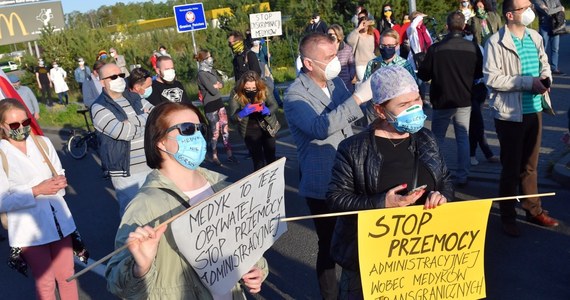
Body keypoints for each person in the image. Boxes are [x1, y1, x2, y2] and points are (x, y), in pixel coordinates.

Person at [105, 101, 268, 299]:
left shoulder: (222, 187)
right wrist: (141, 267)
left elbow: (245, 243)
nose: (197, 136)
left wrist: (257, 269)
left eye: (200, 128)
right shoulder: (145, 205)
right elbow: (117, 284)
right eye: (187, 129)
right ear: (160, 142)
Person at [327, 65, 452, 299]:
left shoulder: (426, 138)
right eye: (404, 105)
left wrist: (442, 195)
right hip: (371, 262)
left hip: (424, 255)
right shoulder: (353, 149)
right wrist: (381, 203)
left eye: (417, 100)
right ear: (380, 111)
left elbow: (444, 178)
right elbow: (335, 199)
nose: (415, 108)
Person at [283, 33, 372, 300]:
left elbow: (352, 119)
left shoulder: (335, 84)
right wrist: (356, 99)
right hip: (321, 180)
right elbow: (320, 128)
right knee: (330, 244)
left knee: (357, 238)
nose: (335, 62)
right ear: (309, 64)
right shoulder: (294, 96)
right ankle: (330, 296)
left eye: (335, 55)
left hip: (350, 174)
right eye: (328, 58)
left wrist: (369, 99)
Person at [483, 0, 558, 237]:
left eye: (530, 7)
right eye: (524, 8)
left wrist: (546, 79)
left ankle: (533, 209)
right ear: (510, 15)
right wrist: (527, 82)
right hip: (509, 115)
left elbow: (544, 63)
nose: (530, 11)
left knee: (531, 166)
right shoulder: (495, 42)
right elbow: (492, 79)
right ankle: (507, 215)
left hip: (535, 109)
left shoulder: (535, 36)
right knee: (511, 168)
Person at [0, 98, 79, 299]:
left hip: (59, 221)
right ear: (2, 126)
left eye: (25, 123)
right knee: (45, 282)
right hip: (28, 229)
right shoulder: (2, 153)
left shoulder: (41, 142)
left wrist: (60, 181)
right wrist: (36, 190)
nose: (22, 128)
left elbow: (58, 171)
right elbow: (2, 200)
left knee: (68, 276)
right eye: (15, 125)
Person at [418, 11, 483, 187]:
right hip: (464, 98)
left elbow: (424, 75)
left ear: (447, 27)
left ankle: (436, 174)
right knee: (463, 137)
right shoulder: (473, 48)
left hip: (441, 99)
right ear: (463, 26)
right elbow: (478, 74)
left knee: (437, 138)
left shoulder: (436, 49)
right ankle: (463, 175)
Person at [90, 63, 153, 217]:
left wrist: (134, 122)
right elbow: (123, 133)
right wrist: (145, 118)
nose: (119, 79)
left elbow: (156, 114)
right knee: (134, 216)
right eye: (113, 77)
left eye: (121, 75)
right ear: (102, 82)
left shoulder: (133, 97)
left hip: (152, 165)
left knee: (156, 210)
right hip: (127, 173)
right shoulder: (98, 107)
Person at [363, 29, 417, 125]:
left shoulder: (404, 65)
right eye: (383, 46)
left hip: (397, 110)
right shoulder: (373, 63)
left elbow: (413, 89)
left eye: (390, 46)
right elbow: (366, 86)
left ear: (397, 46)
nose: (386, 48)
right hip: (375, 110)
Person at [229, 70, 278, 171]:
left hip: (266, 126)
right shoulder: (236, 92)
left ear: (258, 85)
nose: (251, 91)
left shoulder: (264, 88)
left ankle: (274, 182)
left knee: (271, 158)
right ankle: (261, 184)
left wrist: (267, 111)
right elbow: (232, 118)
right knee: (258, 161)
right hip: (249, 129)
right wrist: (242, 113)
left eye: (254, 88)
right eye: (247, 88)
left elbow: (274, 105)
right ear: (242, 86)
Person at [195, 50, 238, 166]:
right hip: (210, 105)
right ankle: (214, 155)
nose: (211, 59)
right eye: (208, 57)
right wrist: (215, 86)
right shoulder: (201, 74)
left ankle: (229, 154)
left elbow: (221, 83)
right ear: (203, 59)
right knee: (215, 132)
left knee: (225, 129)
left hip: (219, 103)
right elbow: (213, 91)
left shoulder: (212, 71)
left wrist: (217, 85)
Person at [533, 0, 566, 75]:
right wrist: (559, 8)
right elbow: (547, 12)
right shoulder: (538, 1)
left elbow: (560, 8)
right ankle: (540, 68)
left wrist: (558, 8)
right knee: (542, 48)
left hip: (555, 26)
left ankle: (554, 68)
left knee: (555, 48)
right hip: (544, 26)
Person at [347, 9, 378, 82]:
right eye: (360, 19)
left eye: (364, 18)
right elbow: (349, 41)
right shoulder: (356, 34)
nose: (363, 21)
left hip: (372, 63)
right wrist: (358, 28)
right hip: (360, 65)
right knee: (365, 83)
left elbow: (374, 51)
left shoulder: (372, 35)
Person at [327, 24, 356, 92]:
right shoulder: (325, 49)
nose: (329, 37)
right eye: (327, 34)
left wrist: (351, 76)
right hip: (330, 84)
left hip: (345, 84)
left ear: (338, 35)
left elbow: (352, 64)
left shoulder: (347, 49)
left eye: (331, 34)